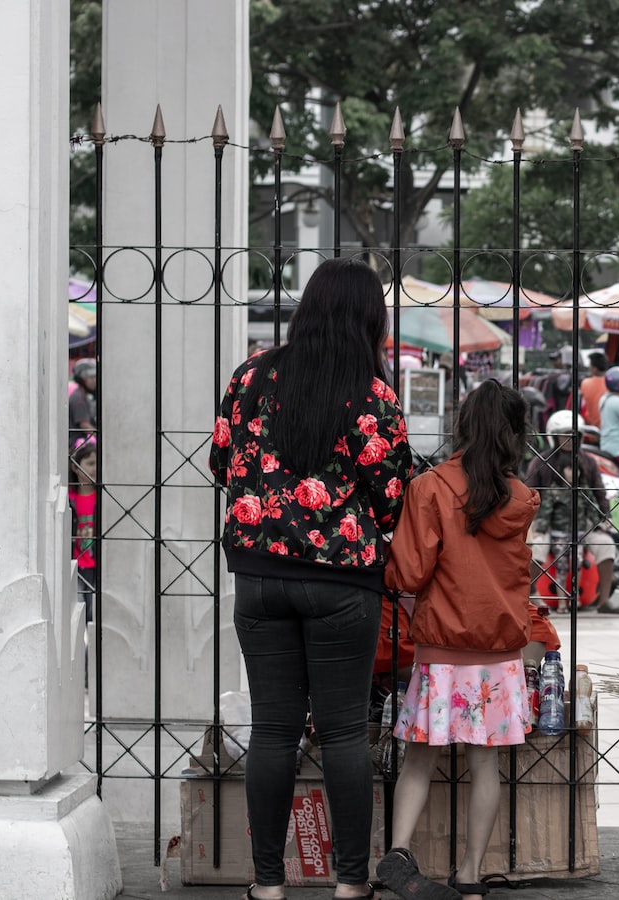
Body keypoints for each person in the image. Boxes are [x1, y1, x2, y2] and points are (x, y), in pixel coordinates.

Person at [208, 256, 413, 900]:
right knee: (345, 729)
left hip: (259, 576)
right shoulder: (372, 393)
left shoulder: (251, 376)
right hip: (341, 584)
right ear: (368, 318)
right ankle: (351, 883)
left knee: (273, 729)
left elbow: (222, 462)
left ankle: (267, 883)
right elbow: (393, 495)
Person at [377, 380, 561, 899]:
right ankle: (471, 876)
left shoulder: (430, 487)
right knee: (486, 766)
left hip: (441, 653)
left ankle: (397, 855)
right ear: (515, 435)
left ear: (463, 427)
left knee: (418, 760)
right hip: (498, 656)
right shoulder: (522, 499)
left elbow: (409, 574)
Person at [524, 410, 619, 614]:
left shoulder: (588, 462)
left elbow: (599, 494)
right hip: (548, 522)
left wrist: (605, 520)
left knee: (606, 545)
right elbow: (528, 495)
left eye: (573, 435)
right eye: (564, 434)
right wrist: (533, 526)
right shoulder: (540, 462)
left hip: (583, 523)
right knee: (538, 547)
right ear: (554, 436)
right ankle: (530, 594)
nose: (569, 439)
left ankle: (603, 601)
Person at [69, 436, 98, 618]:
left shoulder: (100, 499)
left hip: (95, 567)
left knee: (94, 614)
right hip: (76, 567)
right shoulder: (69, 500)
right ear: (75, 467)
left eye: (97, 463)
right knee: (78, 614)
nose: (94, 469)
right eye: (90, 463)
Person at [69, 357, 98, 448]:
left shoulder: (84, 396)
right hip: (78, 447)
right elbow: (85, 425)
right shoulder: (79, 398)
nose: (95, 381)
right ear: (82, 379)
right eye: (91, 377)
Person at [579, 351, 609, 428]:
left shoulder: (585, 383)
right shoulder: (613, 383)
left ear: (595, 369)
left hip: (590, 427)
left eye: (590, 366)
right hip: (609, 427)